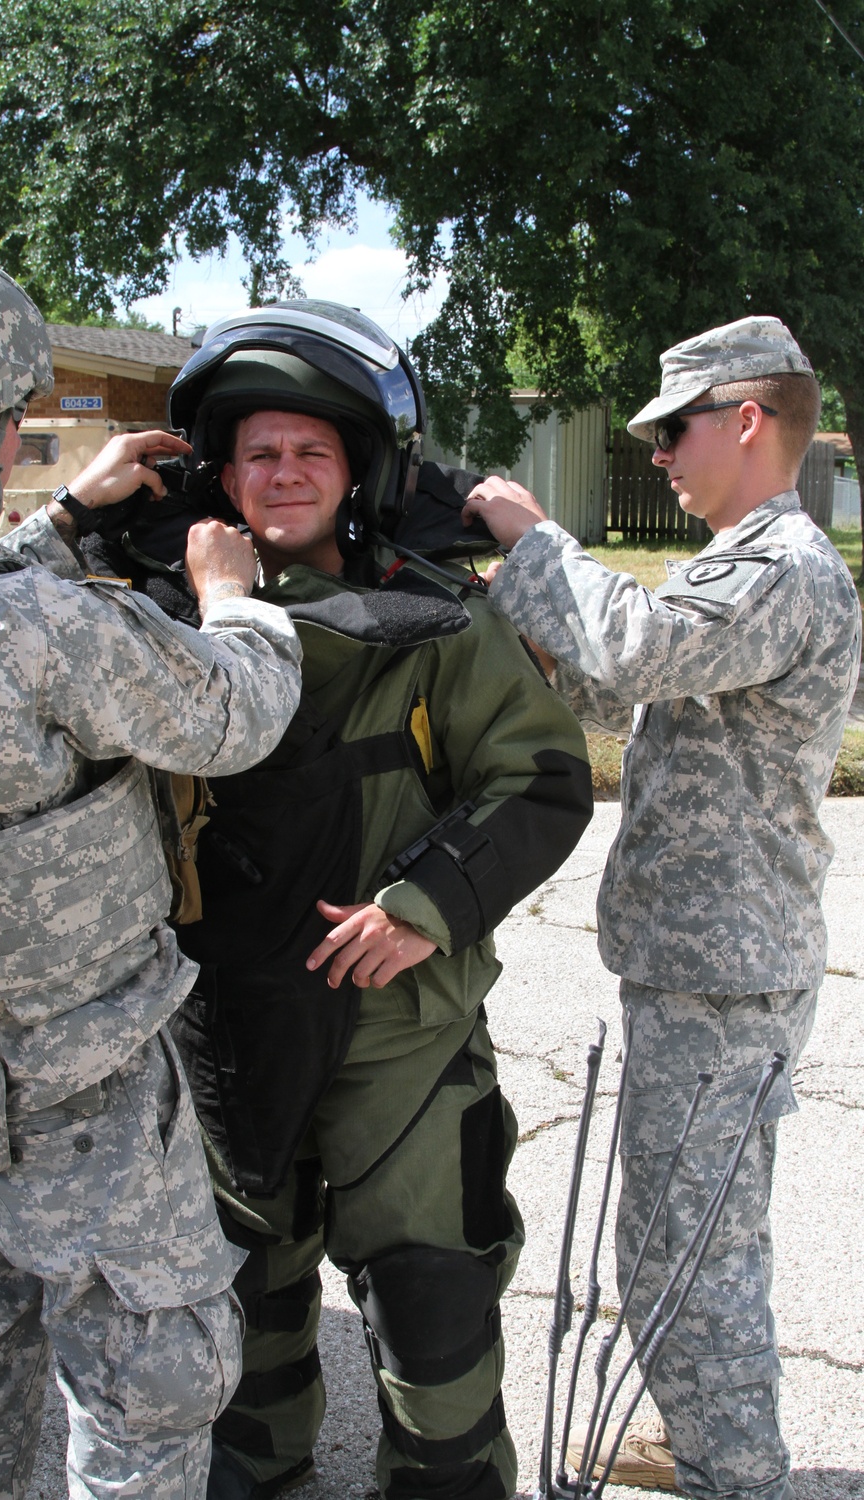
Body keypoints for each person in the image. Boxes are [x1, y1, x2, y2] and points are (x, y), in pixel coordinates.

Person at [82, 299, 595, 1500]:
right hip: (221, 1023)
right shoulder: (150, 620)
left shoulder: (439, 625)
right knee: (236, 1299)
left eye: (312, 449)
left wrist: (423, 905)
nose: (285, 471)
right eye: (259, 450)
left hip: (398, 1034)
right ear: (222, 472)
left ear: (358, 467)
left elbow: (542, 777)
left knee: (432, 1297)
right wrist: (74, 520)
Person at [0, 243, 303, 1500]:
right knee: (148, 1388)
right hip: (89, 1099)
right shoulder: (36, 625)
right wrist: (233, 597)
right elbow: (237, 712)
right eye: (10, 416)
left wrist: (58, 521)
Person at [462, 315, 862, 1500]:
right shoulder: (736, 564)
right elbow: (611, 681)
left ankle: (735, 1474)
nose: (656, 453)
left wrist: (539, 541)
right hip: (705, 958)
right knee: (678, 1234)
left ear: (745, 419)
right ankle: (710, 1444)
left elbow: (630, 647)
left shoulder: (782, 569)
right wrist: (519, 606)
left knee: (690, 1245)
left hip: (725, 970)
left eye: (670, 429)